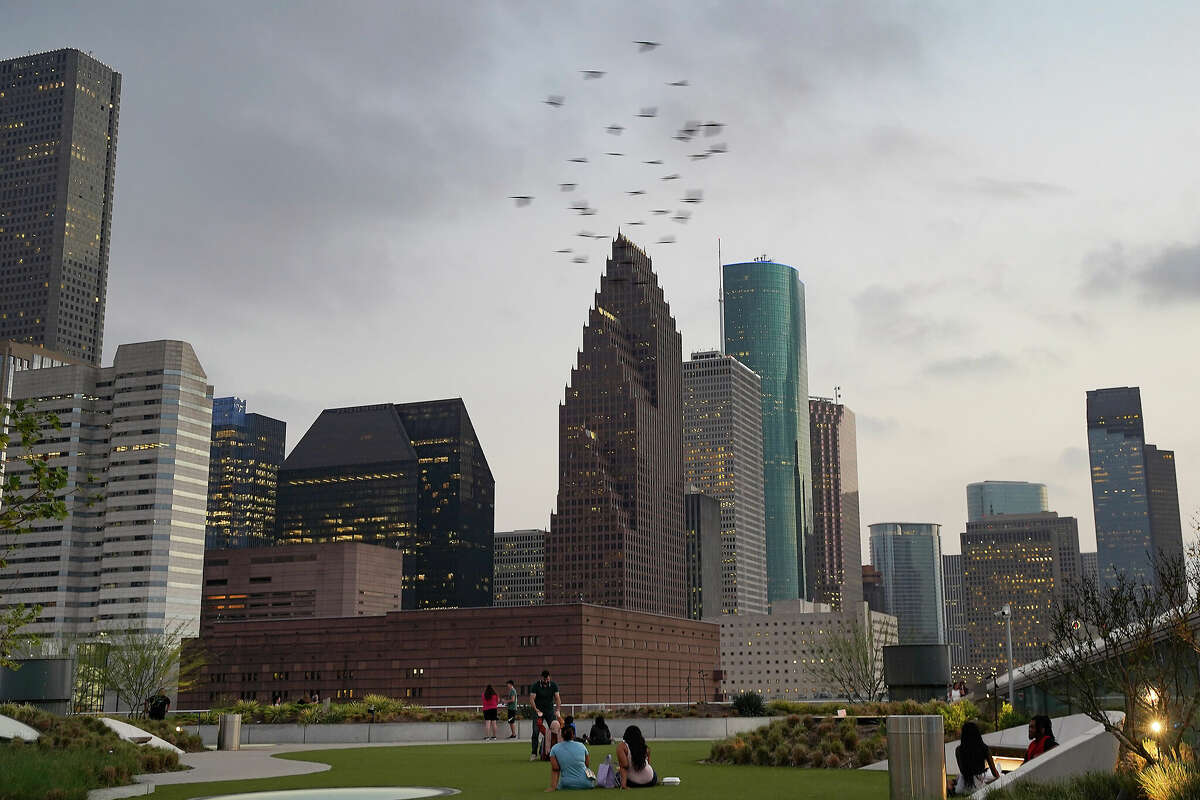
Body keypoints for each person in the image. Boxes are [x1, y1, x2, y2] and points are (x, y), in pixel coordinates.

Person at [954, 721, 1000, 793]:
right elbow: (994, 773)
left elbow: (962, 771)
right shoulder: (984, 749)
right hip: (978, 787)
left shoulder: (958, 750)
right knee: (999, 772)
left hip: (961, 787)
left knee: (958, 777)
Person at [547, 720, 592, 791]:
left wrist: (553, 787)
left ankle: (553, 787)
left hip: (567, 784)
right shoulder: (582, 746)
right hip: (586, 783)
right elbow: (587, 765)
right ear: (573, 735)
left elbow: (555, 768)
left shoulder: (555, 748)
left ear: (561, 735)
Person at [530, 670, 561, 762]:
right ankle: (534, 753)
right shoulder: (535, 686)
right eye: (545, 679)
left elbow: (558, 698)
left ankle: (556, 753)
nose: (546, 681)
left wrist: (558, 710)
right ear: (541, 678)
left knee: (555, 730)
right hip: (539, 711)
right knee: (535, 732)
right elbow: (532, 699)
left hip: (550, 711)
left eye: (548, 679)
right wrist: (536, 710)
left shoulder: (553, 685)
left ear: (549, 677)